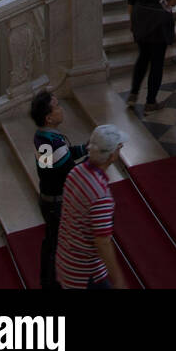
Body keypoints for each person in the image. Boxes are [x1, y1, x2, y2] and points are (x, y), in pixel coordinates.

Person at [55, 124, 127, 290]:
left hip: (66, 260)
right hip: (85, 274)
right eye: (119, 146)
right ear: (112, 155)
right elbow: (102, 242)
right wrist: (118, 280)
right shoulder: (101, 195)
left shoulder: (76, 172)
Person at [30, 89, 88, 291]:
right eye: (58, 106)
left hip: (49, 198)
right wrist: (95, 158)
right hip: (55, 203)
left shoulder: (44, 138)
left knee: (51, 241)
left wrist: (85, 149)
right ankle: (51, 284)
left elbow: (60, 160)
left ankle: (48, 280)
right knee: (55, 244)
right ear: (49, 118)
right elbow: (69, 171)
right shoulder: (50, 142)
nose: (62, 109)